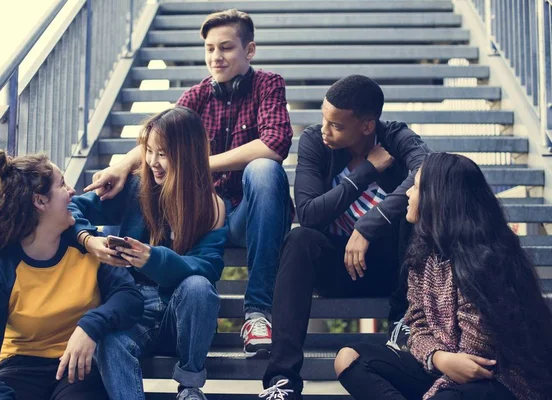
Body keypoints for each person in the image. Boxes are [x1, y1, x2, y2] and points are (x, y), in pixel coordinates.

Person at [86, 9, 293, 358]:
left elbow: (274, 143)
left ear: (250, 50)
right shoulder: (198, 95)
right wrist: (121, 166)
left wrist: (196, 164)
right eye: (210, 49)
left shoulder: (268, 84)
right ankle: (118, 303)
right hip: (203, 217)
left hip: (245, 216)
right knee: (137, 184)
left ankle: (257, 312)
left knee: (264, 169)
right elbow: (160, 137)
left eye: (226, 48)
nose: (216, 57)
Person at [259, 75, 431, 399]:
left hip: (392, 269)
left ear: (367, 126)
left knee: (417, 208)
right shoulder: (315, 142)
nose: (325, 129)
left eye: (336, 125)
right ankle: (282, 382)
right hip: (337, 268)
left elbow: (427, 171)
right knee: (299, 239)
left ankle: (402, 326)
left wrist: (369, 224)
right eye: (324, 118)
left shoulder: (396, 136)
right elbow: (308, 213)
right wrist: (364, 171)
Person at [334, 152, 552, 399]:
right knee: (350, 359)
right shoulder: (423, 255)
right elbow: (416, 324)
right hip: (442, 365)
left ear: (436, 198)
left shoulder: (487, 260)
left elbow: (477, 360)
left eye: (415, 187)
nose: (408, 193)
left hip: (497, 381)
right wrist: (437, 358)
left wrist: (441, 368)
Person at [0, 150, 144, 400]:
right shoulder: (0, 269)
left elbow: (130, 297)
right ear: (40, 201)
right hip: (19, 369)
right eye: (62, 184)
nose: (72, 191)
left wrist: (89, 327)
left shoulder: (88, 248)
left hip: (78, 368)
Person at [68, 106, 227, 400]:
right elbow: (70, 208)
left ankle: (190, 388)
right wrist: (88, 240)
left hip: (183, 317)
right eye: (150, 151)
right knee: (111, 343)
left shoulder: (211, 205)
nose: (153, 162)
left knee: (198, 287)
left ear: (188, 153)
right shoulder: (134, 186)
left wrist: (155, 260)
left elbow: (208, 267)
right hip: (134, 308)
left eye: (163, 154)